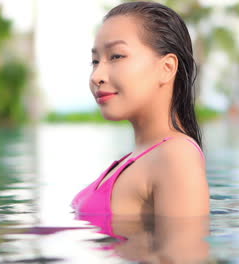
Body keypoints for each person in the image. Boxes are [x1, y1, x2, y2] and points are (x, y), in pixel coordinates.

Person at [71, 0, 210, 223]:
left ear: (166, 68)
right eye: (95, 61)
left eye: (116, 56)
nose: (96, 76)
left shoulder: (176, 157)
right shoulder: (139, 157)